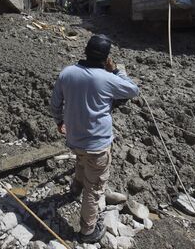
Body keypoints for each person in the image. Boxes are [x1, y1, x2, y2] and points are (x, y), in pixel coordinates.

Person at [51, 35, 139, 243]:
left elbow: (55, 104)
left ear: (86, 50)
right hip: (98, 144)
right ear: (106, 57)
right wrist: (117, 69)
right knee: (95, 188)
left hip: (74, 139)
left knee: (81, 160)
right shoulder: (107, 78)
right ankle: (87, 231)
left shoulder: (67, 73)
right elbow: (133, 89)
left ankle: (75, 189)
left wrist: (59, 122)